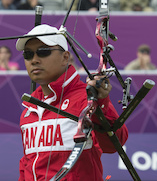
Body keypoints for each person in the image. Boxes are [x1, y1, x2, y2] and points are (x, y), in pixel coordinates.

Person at [15, 24, 128, 180]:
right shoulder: (29, 109)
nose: (34, 60)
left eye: (43, 52)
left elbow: (113, 144)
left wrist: (100, 102)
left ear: (65, 57)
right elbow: (27, 165)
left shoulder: (85, 97)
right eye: (28, 54)